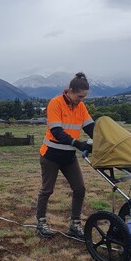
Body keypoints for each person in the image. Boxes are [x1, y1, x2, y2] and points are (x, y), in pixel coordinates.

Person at [36, 72, 95, 239]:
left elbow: (90, 127)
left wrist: (102, 139)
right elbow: (57, 131)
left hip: (68, 156)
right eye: (79, 96)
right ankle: (40, 222)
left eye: (84, 97)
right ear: (69, 91)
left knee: (79, 189)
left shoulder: (81, 107)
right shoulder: (55, 103)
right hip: (51, 155)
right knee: (47, 190)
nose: (81, 100)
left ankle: (75, 224)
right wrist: (78, 144)